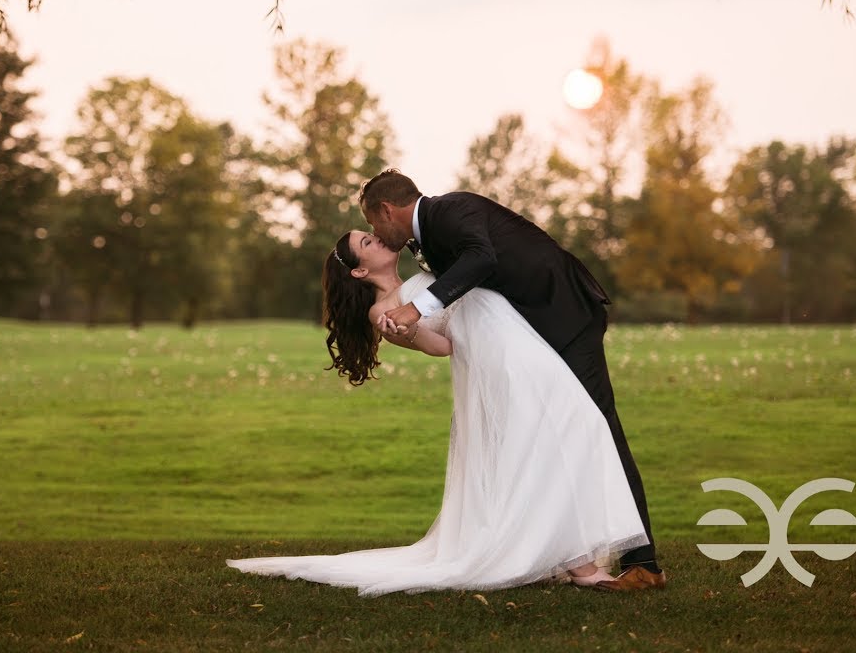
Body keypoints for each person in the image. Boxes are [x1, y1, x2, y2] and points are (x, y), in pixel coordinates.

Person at [225, 230, 649, 596]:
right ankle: (580, 566)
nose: (375, 238)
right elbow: (442, 346)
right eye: (366, 241)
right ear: (358, 270)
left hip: (519, 343)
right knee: (555, 440)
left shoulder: (420, 266)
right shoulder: (383, 310)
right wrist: (410, 330)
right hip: (496, 364)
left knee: (574, 431)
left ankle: (563, 553)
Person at [359, 168, 666, 592]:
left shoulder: (449, 210)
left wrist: (415, 310)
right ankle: (566, 550)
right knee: (552, 436)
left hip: (565, 316)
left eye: (372, 223)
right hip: (533, 333)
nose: (374, 231)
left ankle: (642, 562)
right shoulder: (425, 237)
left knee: (597, 425)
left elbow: (482, 259)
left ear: (386, 210)